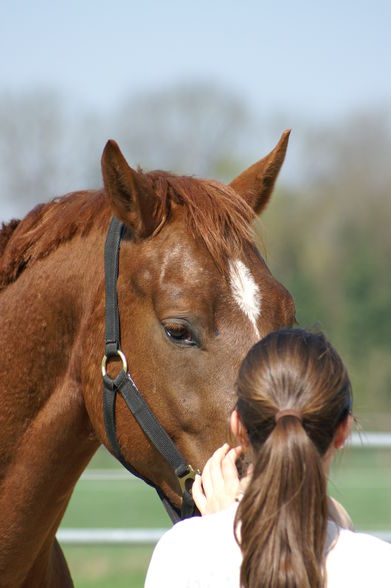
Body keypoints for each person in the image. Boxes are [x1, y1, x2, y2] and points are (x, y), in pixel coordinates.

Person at [145, 329, 391, 588]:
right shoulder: (378, 567)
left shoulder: (181, 555)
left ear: (238, 425)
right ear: (343, 431)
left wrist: (226, 524)